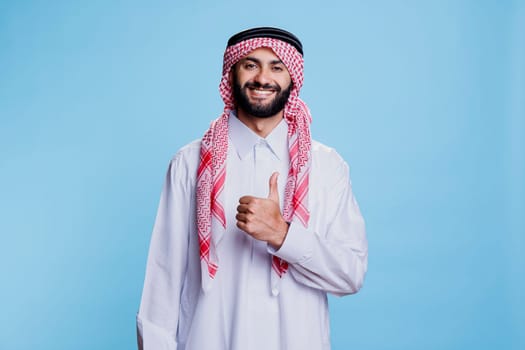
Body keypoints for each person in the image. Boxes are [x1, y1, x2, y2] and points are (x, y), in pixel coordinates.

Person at [136, 27, 368, 350]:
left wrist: (284, 235)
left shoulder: (327, 168)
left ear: (292, 78)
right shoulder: (190, 164)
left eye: (276, 67)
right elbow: (161, 288)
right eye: (251, 65)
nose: (262, 78)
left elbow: (350, 273)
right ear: (231, 74)